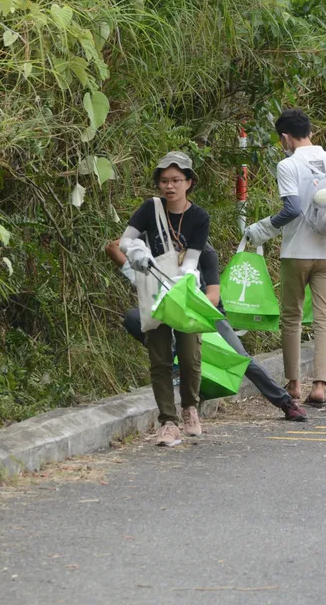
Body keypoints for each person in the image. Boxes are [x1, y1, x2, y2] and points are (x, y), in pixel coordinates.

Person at [108, 240, 308, 422]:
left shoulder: (204, 250)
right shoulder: (154, 245)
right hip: (168, 310)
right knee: (134, 318)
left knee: (241, 358)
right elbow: (114, 249)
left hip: (205, 312)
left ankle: (285, 403)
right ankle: (177, 363)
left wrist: (182, 307)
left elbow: (211, 297)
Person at [243, 108, 326, 406]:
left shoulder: (288, 165)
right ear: (311, 132)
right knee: (324, 318)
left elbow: (291, 209)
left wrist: (263, 228)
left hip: (297, 252)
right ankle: (319, 385)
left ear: (284, 138)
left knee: (291, 318)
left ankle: (293, 384)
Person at [119, 151, 208, 447]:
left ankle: (190, 408)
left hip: (183, 290)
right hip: (153, 289)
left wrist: (185, 280)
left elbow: (193, 258)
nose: (170, 186)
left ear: (189, 182)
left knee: (190, 356)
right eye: (164, 181)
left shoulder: (199, 217)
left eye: (176, 180)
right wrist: (138, 253)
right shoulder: (149, 208)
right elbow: (125, 240)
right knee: (159, 359)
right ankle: (168, 422)